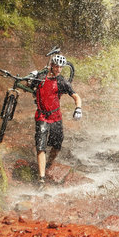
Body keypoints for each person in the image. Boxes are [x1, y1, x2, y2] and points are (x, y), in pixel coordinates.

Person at [31, 54, 82, 189]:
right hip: (41, 116)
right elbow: (28, 85)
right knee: (40, 146)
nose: (59, 69)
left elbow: (76, 96)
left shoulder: (62, 82)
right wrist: (31, 76)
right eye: (57, 66)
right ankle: (41, 179)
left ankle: (49, 163)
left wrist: (78, 108)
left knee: (57, 145)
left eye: (61, 67)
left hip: (56, 117)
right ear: (51, 66)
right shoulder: (40, 78)